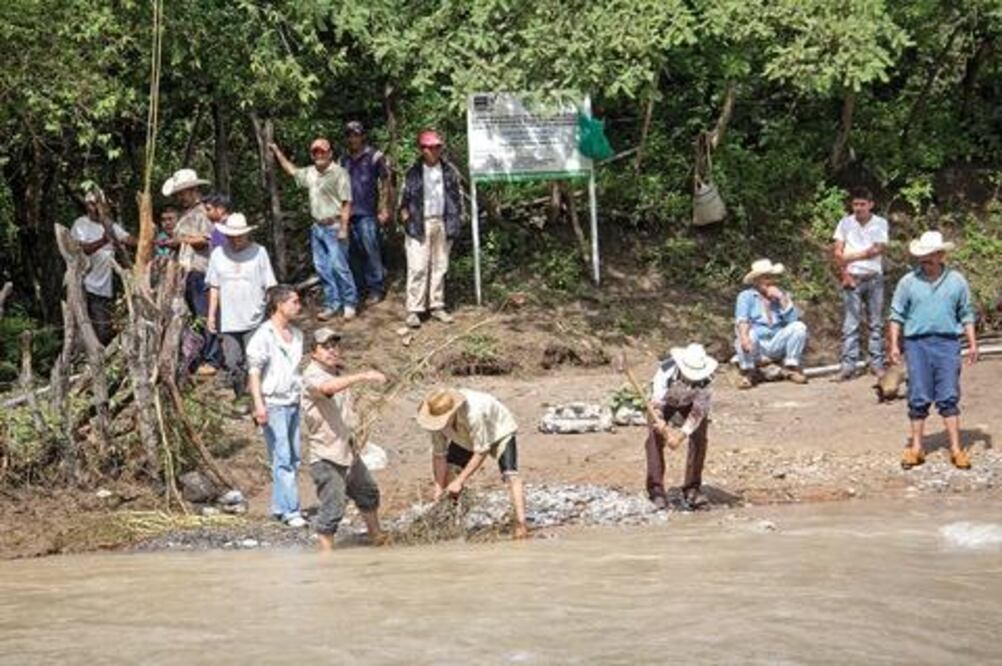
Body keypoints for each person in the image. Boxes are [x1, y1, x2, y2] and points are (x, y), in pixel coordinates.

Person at [889, 231, 977, 471]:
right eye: (922, 255)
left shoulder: (957, 281)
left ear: (940, 255)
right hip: (916, 344)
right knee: (918, 394)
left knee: (949, 394)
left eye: (929, 255)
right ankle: (916, 448)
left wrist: (972, 343)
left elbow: (966, 313)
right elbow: (896, 314)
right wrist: (894, 344)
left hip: (948, 343)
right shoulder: (908, 282)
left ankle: (956, 449)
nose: (925, 259)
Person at [301, 327, 388, 550]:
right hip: (326, 455)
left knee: (368, 493)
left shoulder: (337, 373)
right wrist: (364, 376)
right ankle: (327, 556)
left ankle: (376, 536)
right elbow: (326, 388)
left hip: (347, 451)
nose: (332, 351)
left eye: (335, 346)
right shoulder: (312, 375)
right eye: (325, 347)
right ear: (314, 352)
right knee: (333, 508)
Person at [416, 388, 528, 539]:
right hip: (464, 435)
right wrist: (438, 490)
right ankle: (453, 521)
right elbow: (439, 455)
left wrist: (460, 481)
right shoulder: (436, 418)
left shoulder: (474, 412)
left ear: (452, 413)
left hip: (499, 429)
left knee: (510, 475)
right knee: (451, 472)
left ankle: (521, 523)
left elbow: (481, 451)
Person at [269, 137, 358, 321]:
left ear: (330, 153)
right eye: (315, 152)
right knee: (323, 268)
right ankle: (333, 304)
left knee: (339, 267)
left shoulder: (339, 173)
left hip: (334, 226)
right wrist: (277, 152)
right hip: (317, 227)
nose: (319, 155)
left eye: (322, 151)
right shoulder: (310, 173)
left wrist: (343, 228)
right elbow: (292, 171)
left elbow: (346, 202)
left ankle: (349, 303)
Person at [246, 284, 306, 527]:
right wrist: (259, 405)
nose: (298, 306)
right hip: (273, 403)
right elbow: (254, 372)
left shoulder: (297, 335)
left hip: (292, 401)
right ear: (279, 305)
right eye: (294, 301)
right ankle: (292, 510)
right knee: (282, 456)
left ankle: (280, 507)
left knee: (293, 457)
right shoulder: (264, 335)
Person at [206, 214, 277, 398]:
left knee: (255, 358)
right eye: (232, 236)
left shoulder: (259, 252)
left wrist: (273, 312)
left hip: (255, 316)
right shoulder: (217, 254)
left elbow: (269, 285)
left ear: (247, 234)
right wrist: (211, 315)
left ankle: (258, 395)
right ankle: (241, 396)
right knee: (232, 361)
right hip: (229, 319)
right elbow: (214, 286)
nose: (236, 240)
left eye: (240, 236)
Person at [399, 129, 464, 329]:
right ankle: (414, 309)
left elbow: (458, 197)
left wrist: (458, 218)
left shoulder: (449, 171)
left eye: (437, 147)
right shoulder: (413, 172)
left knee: (440, 266)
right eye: (429, 147)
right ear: (422, 149)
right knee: (417, 266)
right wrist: (405, 218)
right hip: (419, 223)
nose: (434, 150)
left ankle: (436, 305)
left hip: (443, 222)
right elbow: (403, 200)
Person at [162, 168, 221, 376]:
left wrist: (182, 240)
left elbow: (210, 239)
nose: (180, 197)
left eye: (182, 193)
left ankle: (213, 358)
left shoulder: (204, 212)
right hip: (187, 270)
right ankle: (199, 356)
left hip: (201, 269)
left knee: (205, 314)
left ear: (193, 190)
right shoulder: (187, 214)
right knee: (195, 314)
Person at [645, 343, 717, 511]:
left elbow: (698, 412)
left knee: (700, 438)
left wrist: (680, 435)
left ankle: (692, 488)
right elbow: (657, 401)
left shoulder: (706, 381)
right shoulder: (666, 370)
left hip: (690, 403)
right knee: (653, 438)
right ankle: (656, 491)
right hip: (664, 402)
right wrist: (660, 420)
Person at [832, 187, 889, 380]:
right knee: (850, 324)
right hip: (852, 277)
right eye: (855, 204)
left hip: (873, 278)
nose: (858, 208)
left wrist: (850, 256)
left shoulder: (880, 223)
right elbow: (838, 253)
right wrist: (845, 272)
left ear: (871, 205)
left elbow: (878, 249)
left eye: (862, 204)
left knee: (876, 323)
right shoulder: (845, 223)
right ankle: (848, 366)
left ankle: (877, 363)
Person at [69, 188, 135, 345]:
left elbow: (128, 239)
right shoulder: (81, 224)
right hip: (85, 285)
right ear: (87, 205)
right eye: (92, 204)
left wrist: (151, 239)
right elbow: (81, 249)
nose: (96, 208)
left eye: (100, 204)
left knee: (103, 329)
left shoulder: (109, 225)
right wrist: (104, 241)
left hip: (103, 288)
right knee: (88, 328)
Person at [734, 258, 809, 388]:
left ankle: (791, 367)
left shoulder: (781, 295)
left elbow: (792, 321)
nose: (771, 281)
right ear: (756, 281)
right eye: (766, 278)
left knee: (799, 327)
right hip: (757, 344)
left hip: (776, 341)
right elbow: (742, 319)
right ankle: (747, 373)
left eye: (772, 277)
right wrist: (745, 338)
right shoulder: (746, 296)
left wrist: (781, 299)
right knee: (745, 334)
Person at [341, 121, 392, 305]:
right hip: (349, 213)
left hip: (368, 212)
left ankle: (376, 288)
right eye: (350, 135)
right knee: (354, 252)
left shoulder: (375, 156)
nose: (353, 138)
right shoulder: (344, 159)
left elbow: (386, 182)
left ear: (363, 135)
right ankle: (361, 288)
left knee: (371, 250)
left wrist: (384, 207)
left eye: (356, 134)